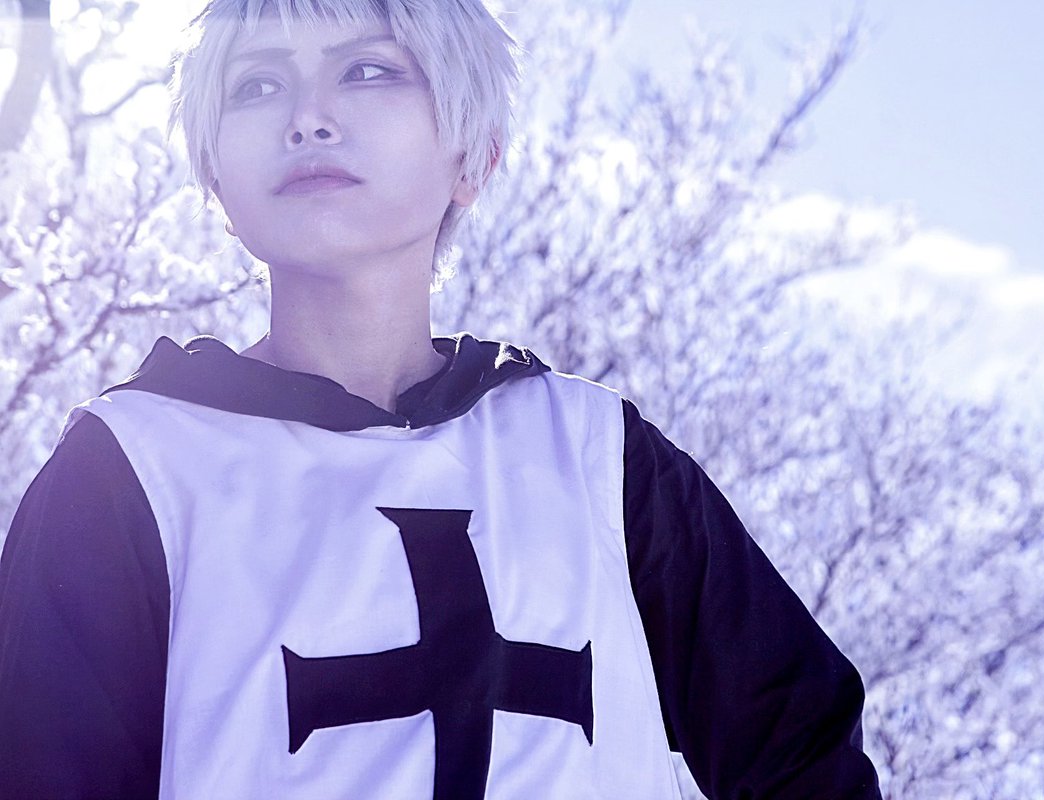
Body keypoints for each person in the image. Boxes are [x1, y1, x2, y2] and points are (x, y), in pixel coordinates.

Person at [0, 0, 882, 797]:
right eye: (257, 84)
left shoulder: (597, 458)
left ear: (472, 156)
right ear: (216, 179)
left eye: (367, 69)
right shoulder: (131, 471)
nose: (308, 117)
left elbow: (804, 757)